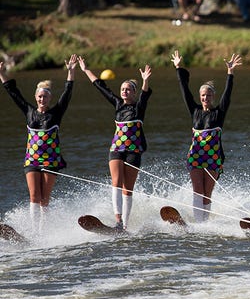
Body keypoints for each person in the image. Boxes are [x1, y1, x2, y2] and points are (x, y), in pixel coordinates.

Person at [1, 54, 77, 229]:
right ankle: (35, 232)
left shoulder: (56, 113)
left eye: (45, 97)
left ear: (49, 98)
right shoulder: (29, 112)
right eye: (40, 97)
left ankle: (44, 229)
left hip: (51, 160)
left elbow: (67, 93)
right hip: (32, 160)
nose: (42, 99)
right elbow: (14, 93)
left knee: (44, 198)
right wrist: (2, 74)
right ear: (36, 97)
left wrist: (71, 73)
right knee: (34, 196)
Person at [80, 58, 152, 230]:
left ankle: (125, 225)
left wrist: (145, 80)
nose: (124, 92)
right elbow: (100, 86)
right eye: (122, 89)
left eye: (128, 90)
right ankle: (118, 221)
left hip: (134, 151)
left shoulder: (138, 108)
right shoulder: (118, 104)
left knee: (128, 189)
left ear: (133, 93)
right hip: (116, 149)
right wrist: (85, 69)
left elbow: (145, 95)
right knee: (116, 183)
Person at [173, 50, 241, 222]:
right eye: (203, 95)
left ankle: (204, 223)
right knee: (197, 190)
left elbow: (228, 94)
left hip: (213, 157)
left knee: (207, 193)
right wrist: (178, 68)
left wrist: (230, 73)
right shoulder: (194, 111)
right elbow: (184, 91)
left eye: (209, 95)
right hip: (195, 156)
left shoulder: (219, 113)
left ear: (213, 97)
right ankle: (199, 223)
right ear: (200, 97)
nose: (205, 98)